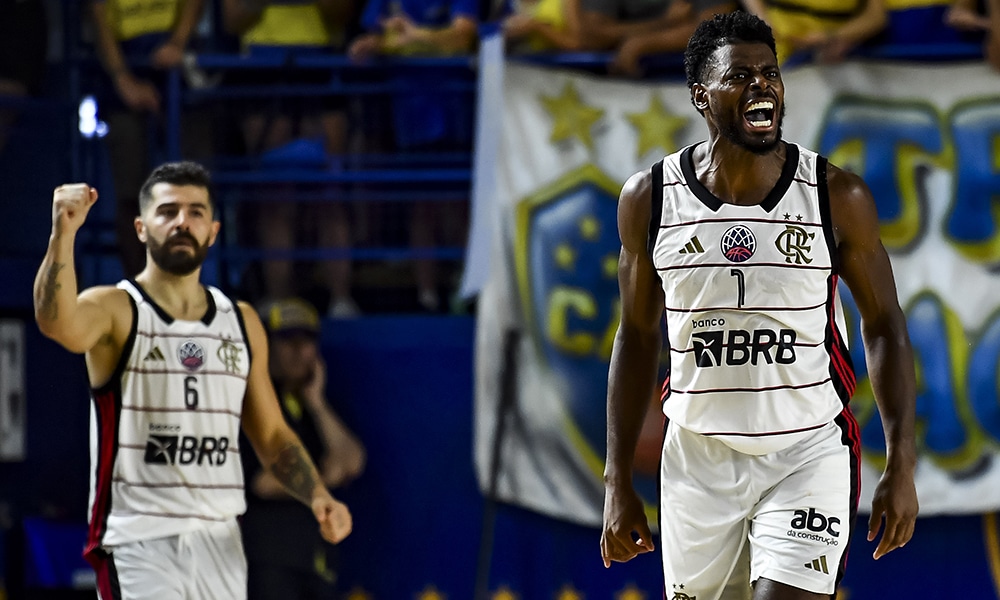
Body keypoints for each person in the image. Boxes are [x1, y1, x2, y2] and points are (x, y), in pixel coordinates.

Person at [600, 12, 918, 600]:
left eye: (770, 73)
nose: (761, 86)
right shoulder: (650, 199)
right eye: (739, 76)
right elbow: (637, 337)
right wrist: (617, 481)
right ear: (701, 95)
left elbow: (884, 324)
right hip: (696, 460)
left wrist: (901, 462)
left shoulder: (836, 195)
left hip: (806, 452)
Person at [32, 161, 353, 599]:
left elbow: (273, 435)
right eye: (168, 211)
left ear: (214, 231)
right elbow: (57, 322)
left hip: (220, 543)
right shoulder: (116, 308)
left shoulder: (241, 321)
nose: (182, 221)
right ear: (141, 228)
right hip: (139, 542)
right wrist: (62, 235)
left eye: (196, 212)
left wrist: (317, 495)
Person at [219, 0, 362, 317]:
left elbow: (343, 12)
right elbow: (232, 19)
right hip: (261, 68)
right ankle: (278, 300)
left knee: (330, 193)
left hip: (321, 64)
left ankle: (341, 300)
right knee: (275, 195)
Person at [243, 297, 366, 599]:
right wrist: (323, 480)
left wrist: (318, 404)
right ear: (267, 346)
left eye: (307, 341)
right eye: (288, 341)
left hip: (317, 557)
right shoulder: (252, 404)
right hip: (271, 558)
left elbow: (353, 460)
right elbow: (262, 482)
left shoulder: (315, 402)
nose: (299, 352)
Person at [88, 0, 213, 278]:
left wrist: (177, 44)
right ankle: (139, 289)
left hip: (180, 65)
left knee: (195, 186)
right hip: (124, 62)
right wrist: (122, 78)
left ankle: (191, 283)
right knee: (132, 193)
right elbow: (97, 14)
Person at [740, 0, 887, 63]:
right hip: (776, 44)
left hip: (830, 53)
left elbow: (876, 17)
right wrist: (764, 21)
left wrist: (832, 36)